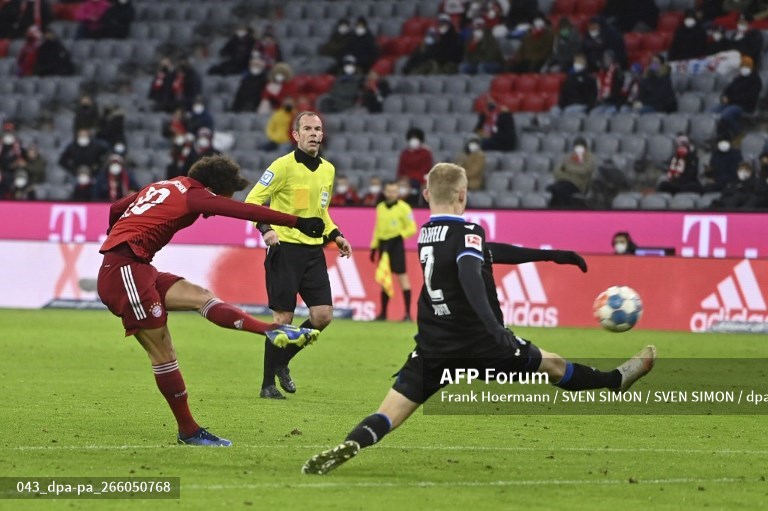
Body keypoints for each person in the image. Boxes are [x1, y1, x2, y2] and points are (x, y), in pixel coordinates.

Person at [301, 163, 655, 475]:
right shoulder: (467, 232)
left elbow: (488, 252)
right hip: (480, 343)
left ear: (426, 194)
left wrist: (551, 255)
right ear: (462, 193)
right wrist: (493, 327)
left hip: (434, 347)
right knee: (554, 365)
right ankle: (614, 380)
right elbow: (470, 269)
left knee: (391, 412)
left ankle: (354, 442)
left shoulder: (428, 234)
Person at [97, 155, 325, 446]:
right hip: (125, 271)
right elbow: (240, 210)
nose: (215, 207)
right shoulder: (195, 195)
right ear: (215, 188)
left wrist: (115, 235)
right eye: (223, 194)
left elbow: (116, 208)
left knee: (199, 297)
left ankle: (270, 330)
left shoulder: (166, 185)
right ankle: (189, 431)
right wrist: (298, 222)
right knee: (163, 352)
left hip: (137, 266)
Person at [245, 111, 352, 400]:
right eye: (308, 128)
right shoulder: (282, 166)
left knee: (322, 316)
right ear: (296, 135)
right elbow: (252, 201)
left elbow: (321, 212)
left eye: (318, 129)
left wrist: (336, 235)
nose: (314, 133)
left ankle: (283, 362)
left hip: (313, 252)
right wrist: (266, 228)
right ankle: (267, 384)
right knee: (282, 318)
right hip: (285, 251)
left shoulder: (328, 170)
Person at [370, 181, 417, 321]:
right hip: (383, 245)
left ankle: (408, 313)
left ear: (398, 193)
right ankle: (383, 313)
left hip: (396, 244)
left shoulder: (404, 208)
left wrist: (400, 235)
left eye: (394, 191)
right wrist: (374, 246)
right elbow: (377, 229)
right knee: (385, 278)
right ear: (385, 192)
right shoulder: (380, 207)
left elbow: (412, 228)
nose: (392, 194)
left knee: (403, 277)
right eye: (389, 191)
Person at [712, 55, 762, 137]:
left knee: (726, 115)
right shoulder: (738, 79)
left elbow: (749, 97)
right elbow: (727, 90)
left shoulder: (756, 80)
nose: (743, 69)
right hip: (730, 103)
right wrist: (723, 97)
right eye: (742, 66)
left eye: (745, 66)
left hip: (744, 106)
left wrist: (730, 100)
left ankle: (737, 132)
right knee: (711, 112)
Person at [548, 137, 596, 208]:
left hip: (577, 185)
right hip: (563, 182)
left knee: (560, 190)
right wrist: (572, 173)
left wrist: (568, 169)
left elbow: (584, 171)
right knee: (551, 189)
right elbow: (557, 171)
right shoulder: (569, 157)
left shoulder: (590, 158)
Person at [396, 128, 434, 199]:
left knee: (424, 187)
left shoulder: (426, 153)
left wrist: (419, 179)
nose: (414, 140)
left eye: (416, 138)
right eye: (412, 138)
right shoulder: (405, 153)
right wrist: (402, 179)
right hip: (406, 180)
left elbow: (427, 169)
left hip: (420, 179)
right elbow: (401, 169)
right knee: (400, 187)